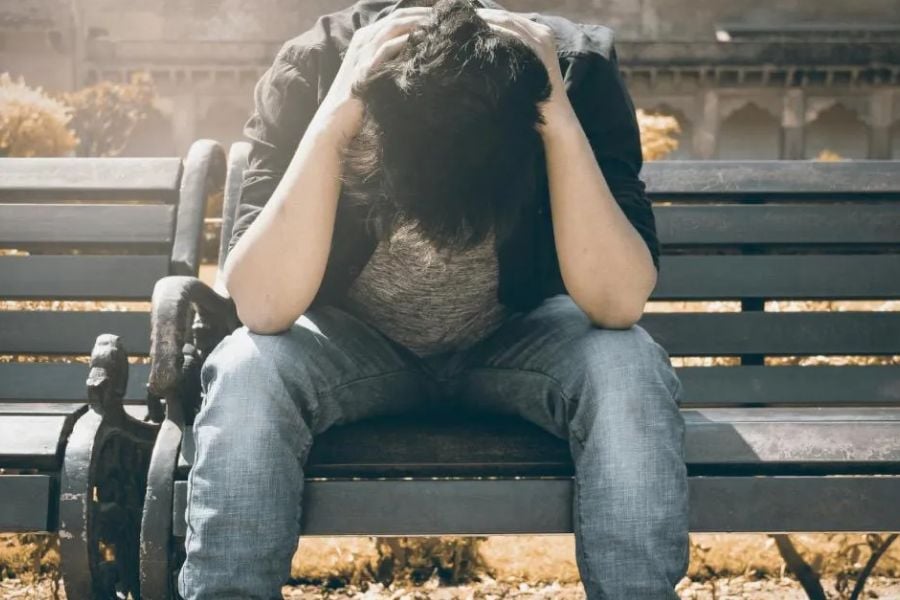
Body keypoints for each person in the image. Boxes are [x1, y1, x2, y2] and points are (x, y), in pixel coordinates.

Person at [177, 0, 689, 598]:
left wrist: (555, 112)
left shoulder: (573, 69)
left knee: (627, 364)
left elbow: (618, 302)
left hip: (517, 338)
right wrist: (337, 114)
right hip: (352, 346)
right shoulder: (316, 67)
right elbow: (263, 306)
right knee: (247, 369)